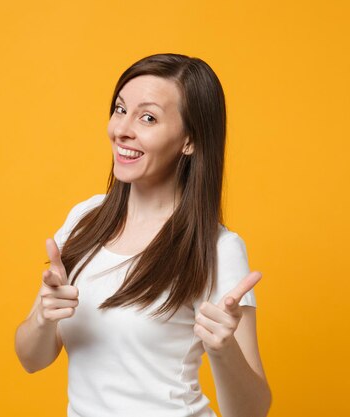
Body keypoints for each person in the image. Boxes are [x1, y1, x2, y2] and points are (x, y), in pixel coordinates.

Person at [15, 53, 271, 417]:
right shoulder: (85, 219)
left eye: (147, 117)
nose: (122, 129)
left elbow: (252, 411)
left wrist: (223, 348)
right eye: (120, 109)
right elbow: (31, 360)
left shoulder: (216, 248)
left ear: (190, 141)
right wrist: (44, 317)